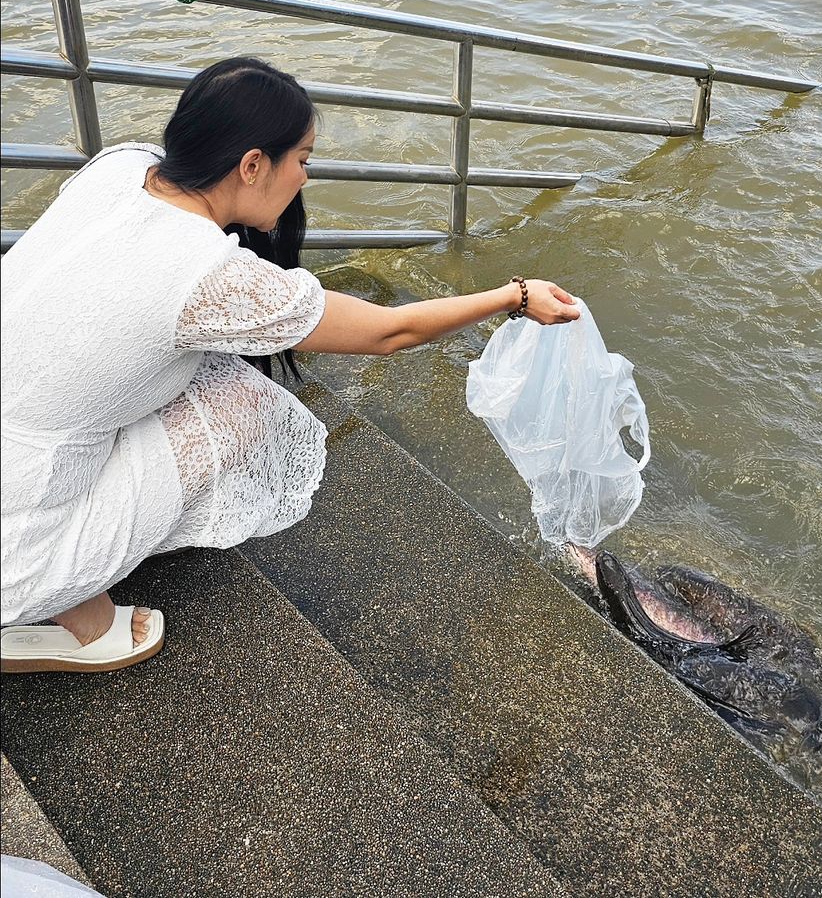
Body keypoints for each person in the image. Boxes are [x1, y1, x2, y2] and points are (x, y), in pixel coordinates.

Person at [0, 56, 579, 673]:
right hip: (19, 508)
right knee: (248, 407)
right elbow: (390, 331)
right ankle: (72, 599)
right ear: (253, 165)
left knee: (191, 369)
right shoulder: (208, 274)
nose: (306, 176)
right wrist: (514, 296)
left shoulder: (120, 167)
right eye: (302, 159)